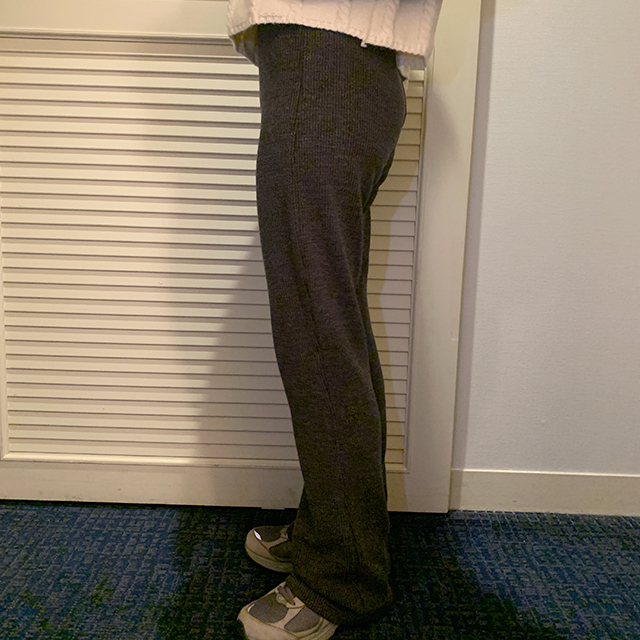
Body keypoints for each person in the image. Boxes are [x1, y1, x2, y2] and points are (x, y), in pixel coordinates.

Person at [226, 1, 443, 638]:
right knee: (331, 325)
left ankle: (342, 577)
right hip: (337, 67)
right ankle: (340, 530)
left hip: (324, 64)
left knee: (317, 334)